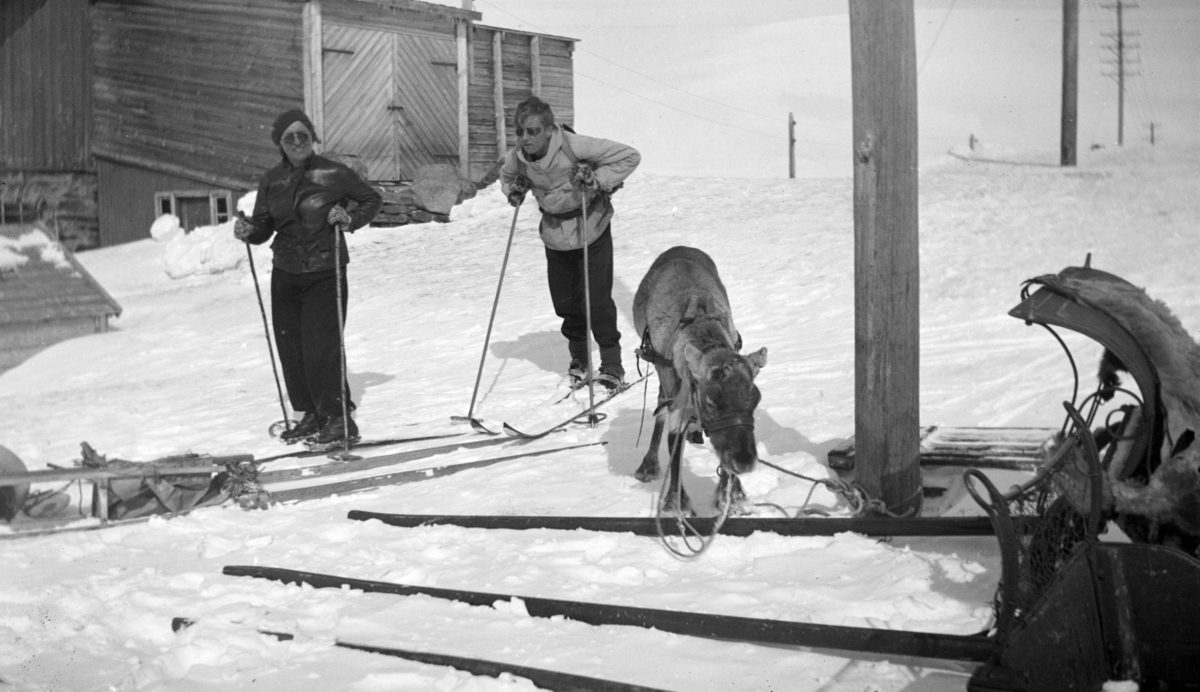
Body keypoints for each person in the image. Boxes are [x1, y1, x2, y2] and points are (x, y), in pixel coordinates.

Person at [234, 109, 382, 445]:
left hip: (325, 270)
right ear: (280, 144)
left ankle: (339, 419)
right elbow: (264, 226)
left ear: (312, 138)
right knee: (293, 347)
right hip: (286, 271)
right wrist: (249, 230)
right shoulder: (271, 180)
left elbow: (372, 199)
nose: (298, 142)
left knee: (321, 347)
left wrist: (349, 218)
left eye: (304, 135)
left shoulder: (333, 173)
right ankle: (313, 414)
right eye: (290, 137)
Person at [499, 96, 641, 390]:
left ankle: (612, 366)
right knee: (566, 303)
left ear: (549, 130)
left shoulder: (574, 145)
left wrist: (596, 179)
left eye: (533, 131)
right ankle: (580, 363)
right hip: (554, 234)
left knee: (597, 300)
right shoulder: (518, 157)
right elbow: (506, 176)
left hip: (591, 227)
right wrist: (514, 190)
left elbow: (630, 156)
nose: (525, 138)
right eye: (520, 131)